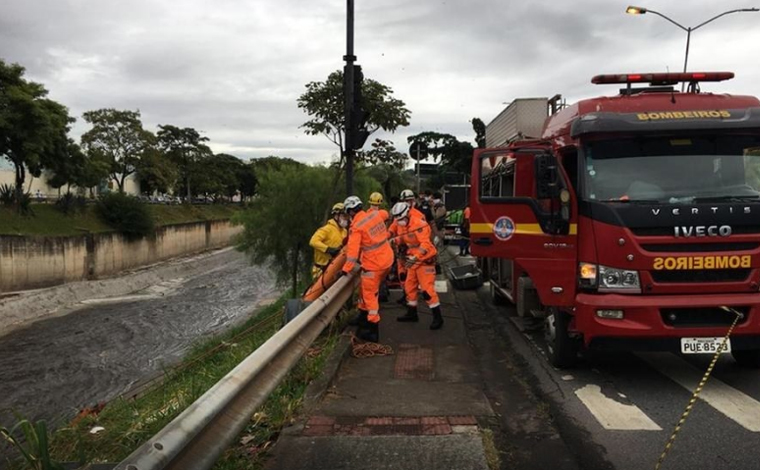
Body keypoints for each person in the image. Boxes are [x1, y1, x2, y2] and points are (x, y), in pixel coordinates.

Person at [342, 195, 394, 342]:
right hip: (387, 260)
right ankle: (362, 317)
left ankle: (373, 330)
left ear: (351, 212)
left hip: (374, 265)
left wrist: (346, 269)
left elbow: (352, 252)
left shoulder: (357, 227)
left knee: (370, 296)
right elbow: (386, 214)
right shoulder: (374, 215)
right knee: (364, 290)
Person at [391, 202, 443, 330]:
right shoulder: (402, 225)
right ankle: (412, 313)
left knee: (427, 290)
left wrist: (415, 257)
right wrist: (395, 241)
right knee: (409, 287)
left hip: (425, 260)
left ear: (407, 214)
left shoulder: (419, 224)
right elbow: (404, 238)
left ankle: (438, 317)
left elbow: (425, 244)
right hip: (413, 261)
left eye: (401, 219)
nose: (400, 222)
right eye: (398, 220)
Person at [309, 203, 348, 279]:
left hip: (336, 268)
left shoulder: (344, 232)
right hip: (321, 269)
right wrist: (328, 249)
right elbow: (313, 241)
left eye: (347, 216)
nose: (346, 219)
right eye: (344, 216)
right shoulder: (327, 229)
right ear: (336, 216)